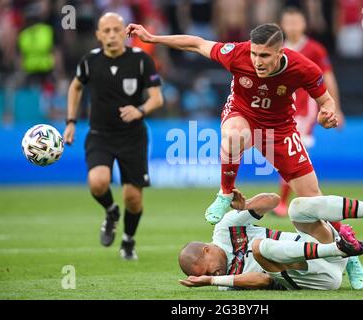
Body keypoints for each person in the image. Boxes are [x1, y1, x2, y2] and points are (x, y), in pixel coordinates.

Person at [126, 22, 337, 226]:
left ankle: (346, 246)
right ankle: (225, 193)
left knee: (313, 199)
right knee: (234, 134)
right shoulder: (237, 53)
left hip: (280, 128)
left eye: (264, 55)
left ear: (280, 53)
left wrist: (326, 115)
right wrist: (153, 38)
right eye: (254, 54)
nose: (257, 61)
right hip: (242, 115)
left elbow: (326, 101)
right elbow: (197, 43)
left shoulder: (303, 68)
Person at [63, 13, 164, 260]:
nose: (111, 35)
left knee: (133, 198)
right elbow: (75, 86)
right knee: (97, 182)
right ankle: (110, 211)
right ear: (98, 35)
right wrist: (71, 122)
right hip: (100, 135)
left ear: (125, 33)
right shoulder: (89, 61)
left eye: (116, 30)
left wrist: (139, 110)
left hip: (133, 137)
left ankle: (128, 241)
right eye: (105, 30)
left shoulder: (141, 60)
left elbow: (157, 98)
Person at [178, 188, 363, 290]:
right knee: (261, 246)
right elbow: (263, 280)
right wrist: (211, 282)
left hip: (321, 246)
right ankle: (341, 248)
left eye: (208, 271)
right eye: (207, 277)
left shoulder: (225, 228)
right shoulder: (224, 283)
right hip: (317, 278)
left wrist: (245, 206)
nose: (213, 275)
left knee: (297, 207)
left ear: (207, 250)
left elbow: (273, 200)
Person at [274, 7, 345, 217]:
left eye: (296, 22)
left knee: (293, 152)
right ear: (282, 25)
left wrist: (335, 108)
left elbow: (328, 78)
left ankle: (284, 202)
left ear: (304, 24)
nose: (293, 26)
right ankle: (302, 199)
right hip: (281, 110)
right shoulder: (277, 49)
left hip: (305, 110)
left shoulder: (315, 49)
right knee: (286, 154)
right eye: (288, 22)